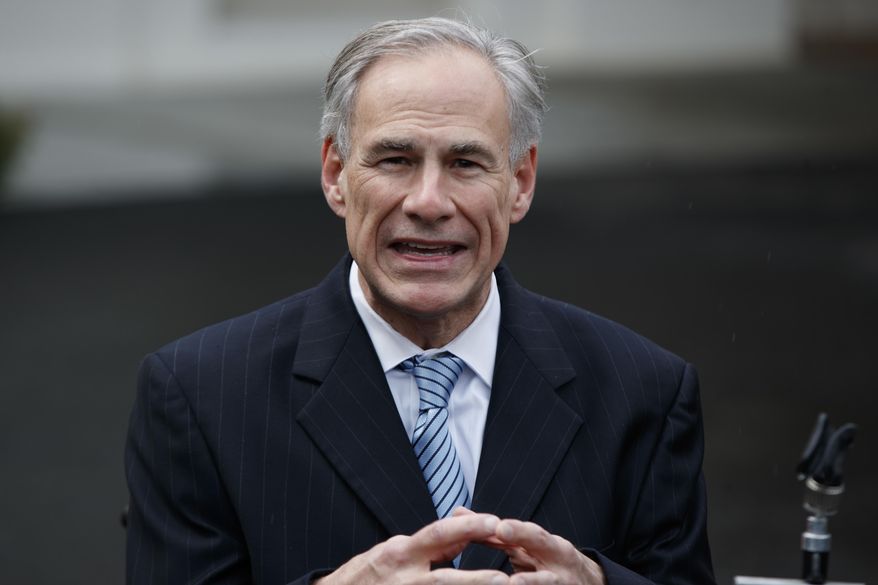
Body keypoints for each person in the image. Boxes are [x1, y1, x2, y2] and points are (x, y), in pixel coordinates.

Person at [125, 17, 715, 585]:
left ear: (521, 183)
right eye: (395, 160)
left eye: (465, 163)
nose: (429, 202)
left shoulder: (643, 393)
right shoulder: (201, 397)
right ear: (335, 174)